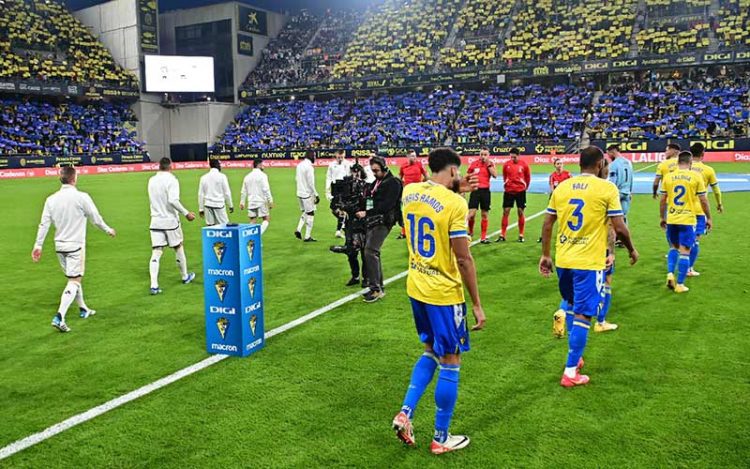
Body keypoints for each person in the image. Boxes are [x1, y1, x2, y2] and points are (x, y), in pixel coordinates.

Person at [392, 147, 485, 455]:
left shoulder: (409, 191)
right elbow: (463, 258)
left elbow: (431, 194)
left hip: (416, 286)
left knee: (431, 350)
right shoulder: (456, 204)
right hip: (444, 294)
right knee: (451, 359)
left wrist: (456, 187)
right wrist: (476, 303)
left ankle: (405, 412)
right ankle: (441, 437)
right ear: (455, 170)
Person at [539, 146, 638, 387]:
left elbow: (548, 223)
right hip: (588, 262)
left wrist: (545, 255)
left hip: (564, 260)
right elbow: (619, 226)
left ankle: (576, 357)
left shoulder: (563, 187)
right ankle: (571, 372)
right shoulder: (606, 188)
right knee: (584, 314)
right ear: (599, 165)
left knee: (572, 307)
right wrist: (632, 249)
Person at [32, 165, 116, 333]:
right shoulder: (81, 197)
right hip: (75, 245)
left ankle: (83, 308)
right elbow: (95, 218)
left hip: (60, 246)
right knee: (74, 280)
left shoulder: (51, 199)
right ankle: (59, 316)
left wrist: (38, 245)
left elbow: (44, 223)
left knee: (73, 278)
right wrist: (108, 229)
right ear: (74, 178)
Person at [660, 151, 712, 293]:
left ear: (677, 162)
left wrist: (662, 217)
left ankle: (670, 273)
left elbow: (663, 199)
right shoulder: (696, 176)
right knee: (685, 252)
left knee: (673, 248)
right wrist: (709, 217)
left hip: (672, 218)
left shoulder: (669, 177)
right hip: (688, 219)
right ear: (690, 163)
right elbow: (703, 199)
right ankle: (680, 284)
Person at [147, 157, 197, 295]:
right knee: (178, 246)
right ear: (171, 166)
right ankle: (185, 276)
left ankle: (154, 285)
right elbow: (173, 200)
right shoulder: (172, 180)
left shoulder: (151, 180)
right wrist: (186, 213)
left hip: (155, 220)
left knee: (156, 251)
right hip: (169, 220)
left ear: (159, 166)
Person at [357, 156, 402, 302]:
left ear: (384, 168)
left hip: (384, 220)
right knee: (372, 251)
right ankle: (377, 286)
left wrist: (367, 213)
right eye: (372, 171)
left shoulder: (393, 182)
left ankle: (376, 289)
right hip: (375, 220)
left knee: (371, 251)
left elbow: (387, 205)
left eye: (376, 170)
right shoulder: (377, 182)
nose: (374, 173)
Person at [688, 142, 723, 276]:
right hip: (699, 210)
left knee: (683, 237)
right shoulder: (708, 170)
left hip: (683, 208)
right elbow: (716, 190)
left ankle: (678, 257)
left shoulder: (685, 169)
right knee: (695, 239)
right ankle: (689, 268)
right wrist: (719, 204)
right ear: (703, 154)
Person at [498, 147, 531, 242]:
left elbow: (528, 177)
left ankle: (521, 234)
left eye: (514, 157)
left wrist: (525, 187)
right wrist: (507, 184)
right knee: (506, 211)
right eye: (511, 157)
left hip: (520, 191)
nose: (512, 159)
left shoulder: (524, 165)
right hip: (509, 191)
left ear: (518, 156)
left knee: (520, 212)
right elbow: (504, 176)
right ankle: (502, 234)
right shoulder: (506, 165)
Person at [467, 147, 497, 244]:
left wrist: (488, 165)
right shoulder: (474, 164)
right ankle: (470, 232)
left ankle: (483, 237)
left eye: (485, 154)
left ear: (488, 155)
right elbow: (467, 176)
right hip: (475, 191)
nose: (483, 156)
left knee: (484, 214)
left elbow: (495, 175)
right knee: (471, 214)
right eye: (481, 154)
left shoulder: (490, 164)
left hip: (485, 191)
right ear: (479, 155)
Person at [537, 158, 571, 243]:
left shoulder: (568, 174)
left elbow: (571, 186)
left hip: (566, 199)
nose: (559, 165)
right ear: (555, 165)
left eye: (561, 163)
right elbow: (552, 188)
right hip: (555, 199)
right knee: (549, 218)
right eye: (558, 164)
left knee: (565, 218)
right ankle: (543, 236)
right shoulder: (552, 176)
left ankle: (566, 235)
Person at [397, 150, 428, 239]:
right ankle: (404, 232)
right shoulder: (403, 166)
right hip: (407, 192)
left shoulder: (419, 164)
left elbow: (426, 175)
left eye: (415, 156)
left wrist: (422, 183)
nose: (415, 158)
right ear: (408, 157)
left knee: (420, 210)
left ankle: (420, 229)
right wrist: (400, 184)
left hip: (418, 191)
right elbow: (400, 177)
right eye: (412, 156)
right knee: (406, 210)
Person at [240, 158, 274, 234]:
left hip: (251, 201)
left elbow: (243, 191)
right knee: (266, 219)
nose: (264, 166)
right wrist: (270, 200)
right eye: (262, 165)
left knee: (252, 221)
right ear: (259, 165)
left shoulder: (247, 176)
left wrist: (242, 202)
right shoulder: (263, 176)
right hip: (261, 201)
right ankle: (258, 235)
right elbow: (266, 189)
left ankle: (249, 238)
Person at [198, 159, 233, 226]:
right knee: (224, 226)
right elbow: (227, 192)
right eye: (220, 165)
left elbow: (200, 194)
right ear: (217, 165)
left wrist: (201, 208)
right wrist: (230, 205)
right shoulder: (222, 176)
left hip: (207, 205)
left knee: (210, 227)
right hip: (219, 204)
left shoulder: (203, 177)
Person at [325, 150, 352, 239]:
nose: (340, 158)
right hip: (335, 187)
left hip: (345, 187)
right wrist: (327, 190)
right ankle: (343, 223)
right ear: (336, 156)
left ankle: (339, 230)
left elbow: (352, 176)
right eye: (338, 157)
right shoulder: (332, 165)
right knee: (333, 209)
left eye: (342, 157)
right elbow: (328, 177)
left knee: (343, 208)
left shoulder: (348, 164)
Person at [295, 150, 319, 242]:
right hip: (307, 194)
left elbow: (296, 179)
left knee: (305, 211)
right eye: (315, 156)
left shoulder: (299, 165)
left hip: (299, 192)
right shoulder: (309, 167)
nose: (315, 158)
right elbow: (311, 182)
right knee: (311, 213)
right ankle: (307, 236)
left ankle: (298, 229)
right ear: (312, 156)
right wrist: (316, 194)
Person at [606, 144, 634, 224]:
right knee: (624, 216)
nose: (608, 156)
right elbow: (631, 178)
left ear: (612, 152)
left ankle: (614, 235)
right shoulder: (628, 163)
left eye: (608, 154)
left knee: (613, 217)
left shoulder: (613, 164)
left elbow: (612, 181)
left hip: (618, 193)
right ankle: (625, 235)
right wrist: (630, 191)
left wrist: (609, 193)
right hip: (627, 192)